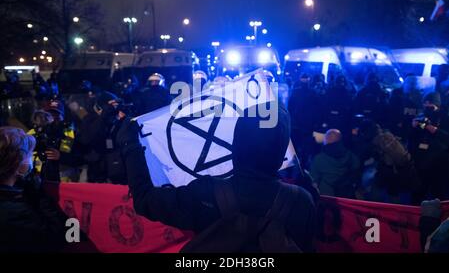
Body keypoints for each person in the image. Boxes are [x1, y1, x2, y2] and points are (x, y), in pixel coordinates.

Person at [116, 103, 316, 252]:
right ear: (281, 154)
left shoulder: (204, 193)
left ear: (235, 145)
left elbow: (144, 200)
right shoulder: (301, 201)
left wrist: (130, 146)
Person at [0, 127, 67, 252]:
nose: (32, 158)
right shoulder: (15, 212)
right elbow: (59, 236)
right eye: (29, 154)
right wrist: (39, 192)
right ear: (18, 164)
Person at [355, 119, 420, 203]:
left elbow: (400, 158)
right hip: (390, 170)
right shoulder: (378, 137)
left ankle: (380, 211)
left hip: (394, 171)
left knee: (382, 193)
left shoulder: (383, 139)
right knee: (388, 193)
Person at [77, 91, 127, 184]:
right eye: (111, 105)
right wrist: (104, 116)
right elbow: (87, 139)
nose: (113, 108)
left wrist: (123, 119)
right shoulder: (89, 119)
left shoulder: (115, 119)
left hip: (116, 167)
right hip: (95, 169)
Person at [408, 92, 449, 203]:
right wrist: (413, 126)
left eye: (430, 106)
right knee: (417, 190)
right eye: (425, 105)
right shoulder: (422, 115)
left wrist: (434, 130)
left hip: (439, 159)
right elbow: (412, 137)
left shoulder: (445, 117)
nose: (428, 108)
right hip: (421, 158)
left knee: (438, 192)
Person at [311, 129, 360, 198]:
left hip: (327, 199)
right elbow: (356, 169)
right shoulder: (350, 155)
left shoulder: (319, 159)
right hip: (346, 197)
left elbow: (314, 181)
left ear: (326, 140)